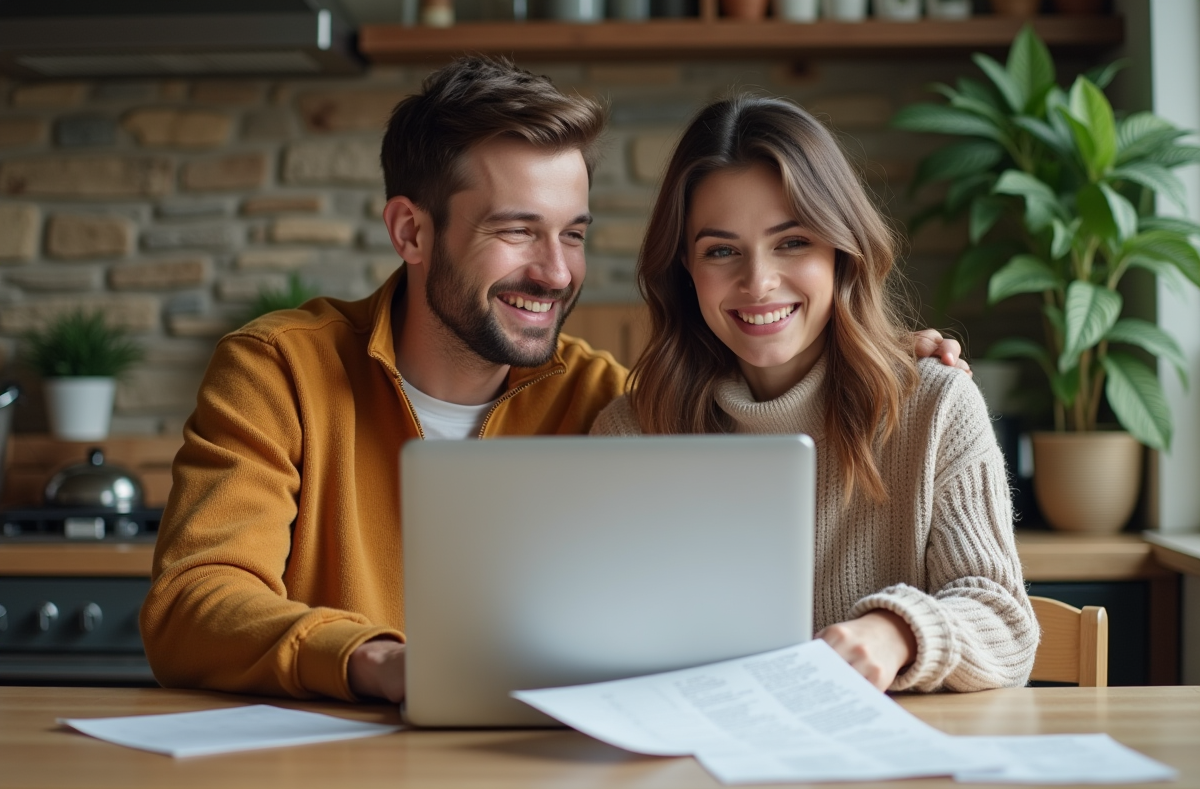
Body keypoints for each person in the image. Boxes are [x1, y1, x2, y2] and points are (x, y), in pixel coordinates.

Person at [140, 58, 969, 704]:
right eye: (516, 231)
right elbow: (192, 604)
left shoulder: (611, 404)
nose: (554, 271)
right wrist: (378, 661)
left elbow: (762, 364)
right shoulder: (279, 368)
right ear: (411, 231)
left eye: (572, 234)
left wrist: (875, 352)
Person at [591, 95, 1037, 693]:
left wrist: (895, 632)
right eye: (721, 251)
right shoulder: (632, 434)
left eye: (792, 241)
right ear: (685, 270)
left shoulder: (935, 407)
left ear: (841, 250)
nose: (758, 282)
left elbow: (1006, 624)